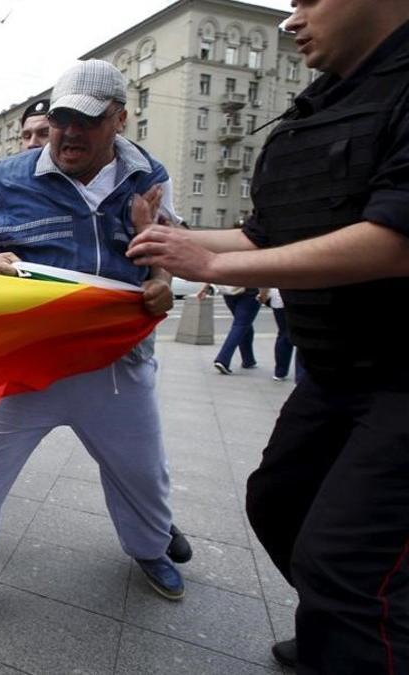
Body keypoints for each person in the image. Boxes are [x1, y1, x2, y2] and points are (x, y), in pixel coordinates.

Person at [126, 1, 409, 669]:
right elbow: (265, 231)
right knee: (279, 505)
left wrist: (215, 265)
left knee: (345, 561)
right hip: (335, 371)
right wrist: (172, 241)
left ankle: (356, 630)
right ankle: (344, 622)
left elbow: (396, 241)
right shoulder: (324, 101)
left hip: (402, 374)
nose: (293, 18)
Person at [0, 60, 188, 605]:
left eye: (85, 121)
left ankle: (151, 549)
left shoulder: (149, 175)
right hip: (33, 363)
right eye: (60, 119)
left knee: (142, 473)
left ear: (119, 120)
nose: (68, 133)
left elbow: (164, 247)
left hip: (116, 365)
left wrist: (161, 281)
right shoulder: (8, 177)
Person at [207, 283, 260, 374]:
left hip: (229, 290)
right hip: (250, 290)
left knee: (244, 324)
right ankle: (223, 359)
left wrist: (205, 287)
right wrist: (264, 293)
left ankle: (248, 360)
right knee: (240, 325)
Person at [260, 288, 293, 382]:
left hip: (278, 299)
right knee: (300, 334)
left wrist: (263, 294)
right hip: (297, 295)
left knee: (283, 333)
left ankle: (280, 372)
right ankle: (301, 374)